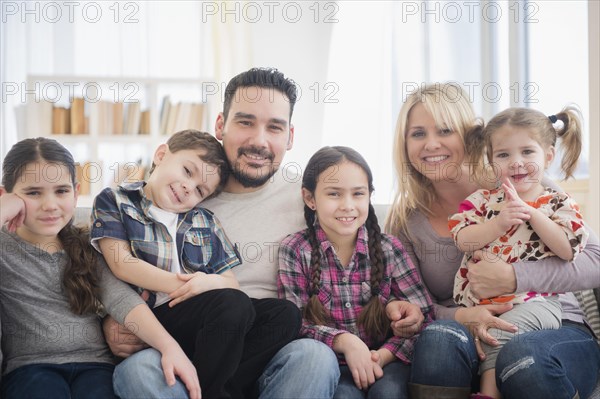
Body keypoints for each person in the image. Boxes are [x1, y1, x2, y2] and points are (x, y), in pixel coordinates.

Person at [102, 67, 341, 399]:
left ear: (290, 137)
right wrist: (116, 318)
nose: (259, 141)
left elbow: (357, 257)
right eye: (245, 122)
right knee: (138, 373)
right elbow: (110, 261)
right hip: (185, 336)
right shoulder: (182, 194)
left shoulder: (310, 199)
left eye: (274, 127)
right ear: (220, 125)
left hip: (265, 348)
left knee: (314, 357)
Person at [384, 83, 600, 399]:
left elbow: (594, 262)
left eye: (444, 130)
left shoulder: (518, 179)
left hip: (552, 322)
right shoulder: (405, 221)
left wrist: (514, 277)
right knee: (438, 339)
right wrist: (462, 316)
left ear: (470, 138)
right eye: (418, 134)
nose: (431, 144)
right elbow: (416, 304)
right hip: (470, 325)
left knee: (523, 357)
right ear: (404, 144)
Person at [91, 129, 300, 398]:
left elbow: (230, 283)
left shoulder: (205, 221)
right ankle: (213, 390)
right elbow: (122, 264)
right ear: (162, 154)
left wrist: (206, 283)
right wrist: (187, 286)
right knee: (232, 304)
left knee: (284, 314)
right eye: (188, 172)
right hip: (153, 316)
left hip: (201, 318)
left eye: (200, 189)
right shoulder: (116, 200)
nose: (189, 187)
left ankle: (221, 386)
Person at [0, 137, 200, 399]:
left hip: (95, 366)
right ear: (7, 194)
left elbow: (120, 299)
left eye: (61, 191)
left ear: (76, 191)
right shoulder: (4, 247)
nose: (50, 205)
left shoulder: (87, 242)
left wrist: (170, 348)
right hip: (30, 368)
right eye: (33, 193)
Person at [449, 107, 589, 398]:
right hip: (486, 302)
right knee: (486, 330)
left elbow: (567, 249)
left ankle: (488, 395)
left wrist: (532, 215)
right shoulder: (481, 202)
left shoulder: (557, 203)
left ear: (548, 157)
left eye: (527, 152)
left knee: (500, 331)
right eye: (503, 155)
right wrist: (499, 223)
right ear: (491, 161)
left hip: (540, 303)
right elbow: (464, 240)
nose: (516, 163)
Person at [278, 146, 434, 399]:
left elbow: (425, 317)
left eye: (358, 194)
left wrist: (380, 356)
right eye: (334, 194)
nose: (347, 205)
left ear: (369, 195)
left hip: (387, 361)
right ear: (310, 198)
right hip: (334, 366)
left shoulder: (389, 249)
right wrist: (346, 342)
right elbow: (295, 324)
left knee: (389, 394)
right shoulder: (295, 250)